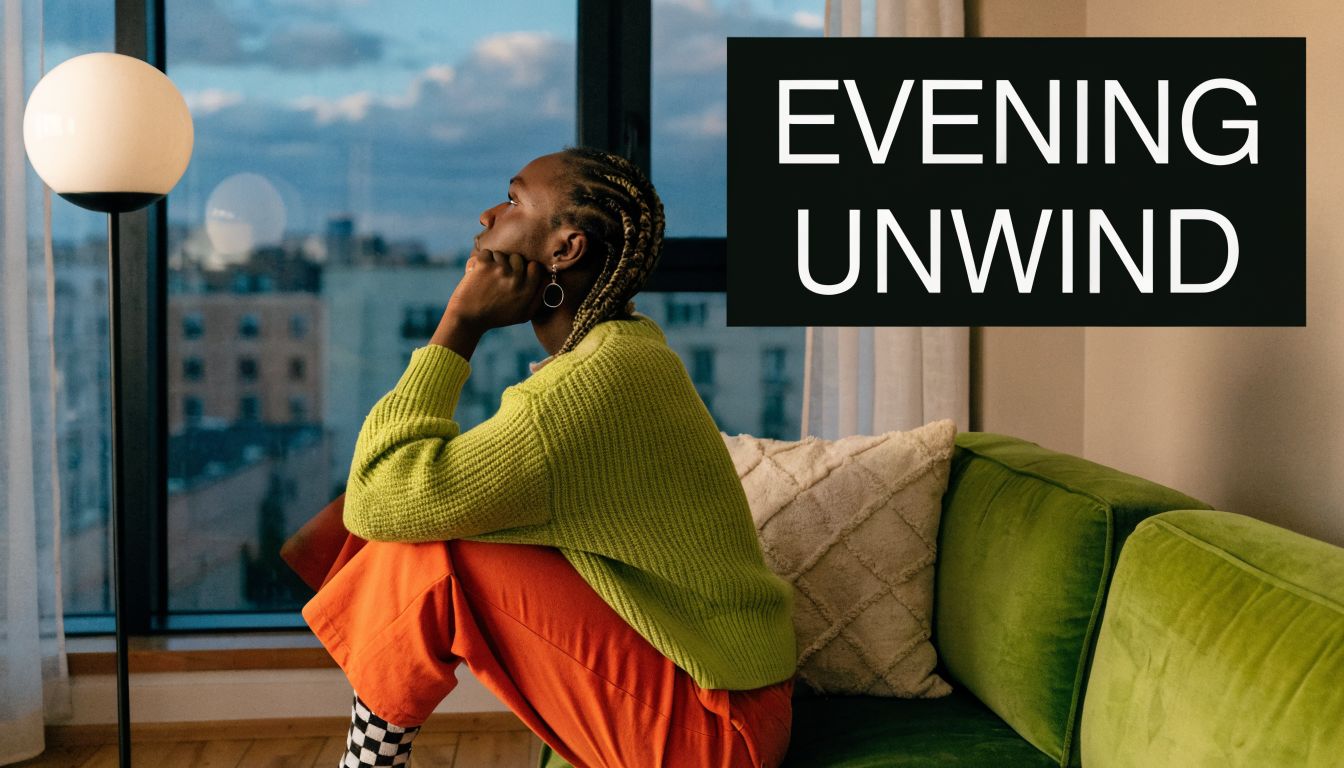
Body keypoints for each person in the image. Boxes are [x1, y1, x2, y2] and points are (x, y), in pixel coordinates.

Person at [288, 147, 797, 768]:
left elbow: (376, 498)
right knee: (411, 519)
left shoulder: (589, 385)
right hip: (728, 704)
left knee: (431, 542)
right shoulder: (624, 351)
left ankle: (368, 762)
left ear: (565, 250)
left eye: (512, 199)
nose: (486, 215)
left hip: (716, 733)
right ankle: (372, 756)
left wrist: (458, 325)